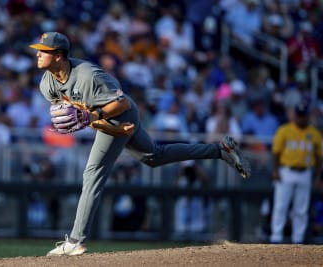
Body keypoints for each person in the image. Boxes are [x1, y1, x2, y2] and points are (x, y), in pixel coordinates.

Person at [28, 31, 251, 256]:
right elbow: (81, 118)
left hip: (122, 112)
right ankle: (220, 150)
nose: (37, 54)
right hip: (106, 121)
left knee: (92, 172)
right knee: (154, 157)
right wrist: (109, 128)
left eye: (43, 51)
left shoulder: (88, 75)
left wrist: (101, 120)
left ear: (58, 56)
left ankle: (76, 240)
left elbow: (121, 103)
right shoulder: (47, 83)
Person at [270, 103, 322, 244]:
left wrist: (318, 177)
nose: (301, 119)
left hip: (305, 172)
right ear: (294, 116)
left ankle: (298, 240)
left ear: (307, 116)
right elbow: (275, 152)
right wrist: (275, 170)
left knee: (301, 209)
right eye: (299, 116)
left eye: (303, 116)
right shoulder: (285, 130)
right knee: (281, 206)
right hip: (286, 171)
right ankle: (276, 238)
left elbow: (319, 158)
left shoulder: (314, 133)